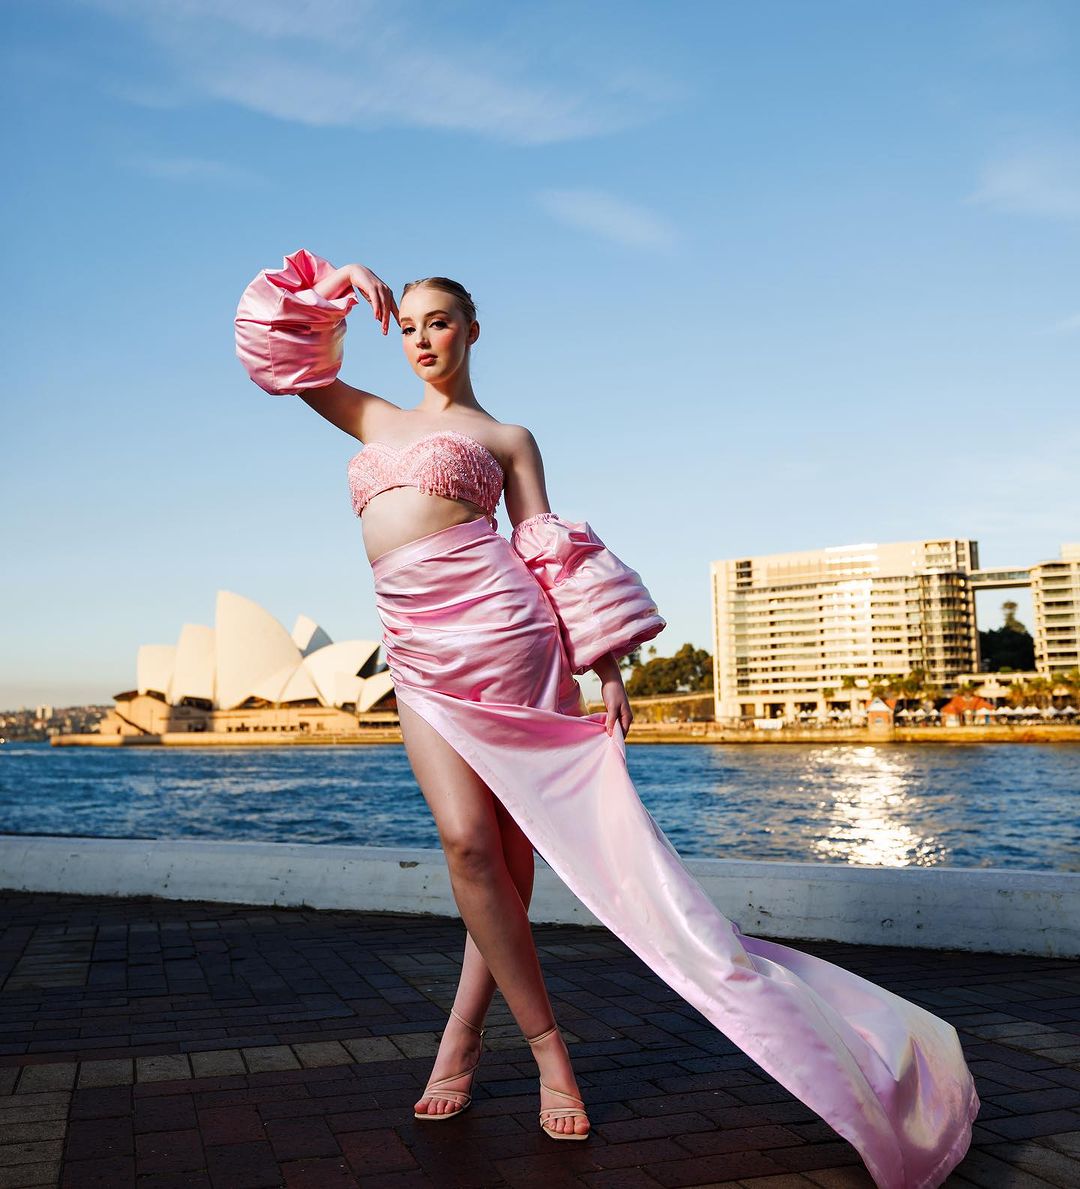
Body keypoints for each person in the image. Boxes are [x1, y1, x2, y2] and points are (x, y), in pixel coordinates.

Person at [235, 250, 981, 1179]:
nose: (423, 338)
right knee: (468, 849)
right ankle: (495, 1037)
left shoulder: (508, 437)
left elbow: (548, 550)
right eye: (413, 324)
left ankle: (514, 1048)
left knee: (504, 857)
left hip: (510, 640)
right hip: (418, 655)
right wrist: (339, 280)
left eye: (441, 321)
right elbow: (275, 352)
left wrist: (606, 664)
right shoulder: (371, 417)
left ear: (472, 330)